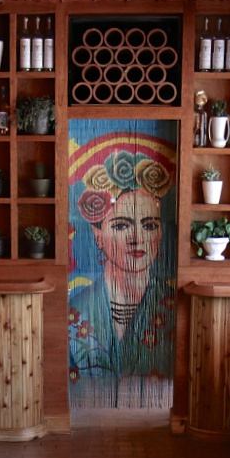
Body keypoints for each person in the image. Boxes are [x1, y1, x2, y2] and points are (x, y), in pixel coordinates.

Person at [68, 144, 176, 388]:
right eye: (121, 226)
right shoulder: (76, 311)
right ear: (98, 235)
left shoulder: (172, 307)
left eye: (149, 226)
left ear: (160, 234)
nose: (137, 238)